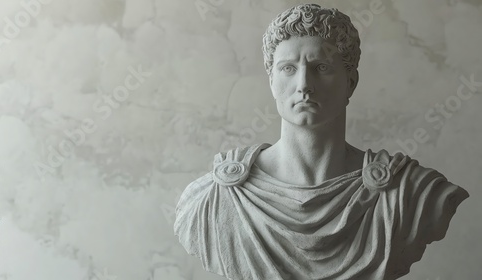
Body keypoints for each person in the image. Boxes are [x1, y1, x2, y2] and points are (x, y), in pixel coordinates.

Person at [174, 4, 469, 280]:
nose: (304, 84)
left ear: (350, 82)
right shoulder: (213, 199)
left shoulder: (410, 192)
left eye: (322, 68)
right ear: (271, 82)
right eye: (288, 68)